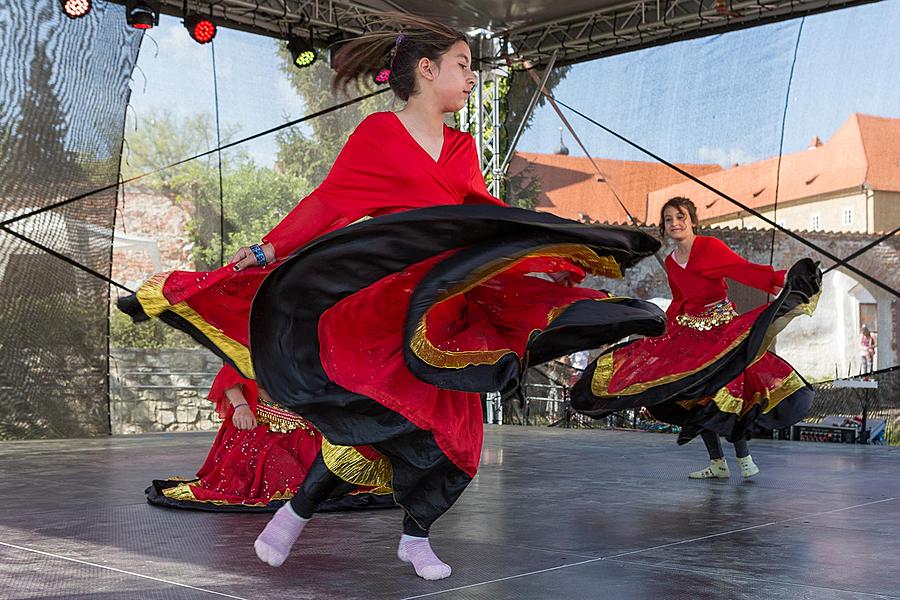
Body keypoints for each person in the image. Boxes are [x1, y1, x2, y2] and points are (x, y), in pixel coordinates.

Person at [119, 14, 665, 580]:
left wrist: (553, 251)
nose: (472, 77)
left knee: (455, 434)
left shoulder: (460, 147)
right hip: (384, 310)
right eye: (463, 65)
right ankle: (294, 514)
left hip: (447, 313)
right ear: (427, 70)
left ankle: (415, 537)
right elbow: (329, 202)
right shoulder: (377, 136)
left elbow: (488, 217)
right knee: (375, 418)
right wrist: (267, 249)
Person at [572, 197, 821, 479]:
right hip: (689, 332)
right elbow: (679, 300)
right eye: (668, 219)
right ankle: (717, 462)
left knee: (724, 390)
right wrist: (665, 333)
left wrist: (782, 279)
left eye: (680, 217)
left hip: (720, 331)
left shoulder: (708, 248)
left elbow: (743, 269)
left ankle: (744, 458)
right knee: (693, 395)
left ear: (692, 221)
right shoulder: (671, 261)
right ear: (664, 228)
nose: (675, 223)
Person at [146, 364, 394, 511]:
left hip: (307, 428)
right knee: (283, 476)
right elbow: (229, 374)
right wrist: (241, 405)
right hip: (262, 430)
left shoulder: (315, 333)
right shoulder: (260, 330)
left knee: (334, 476)